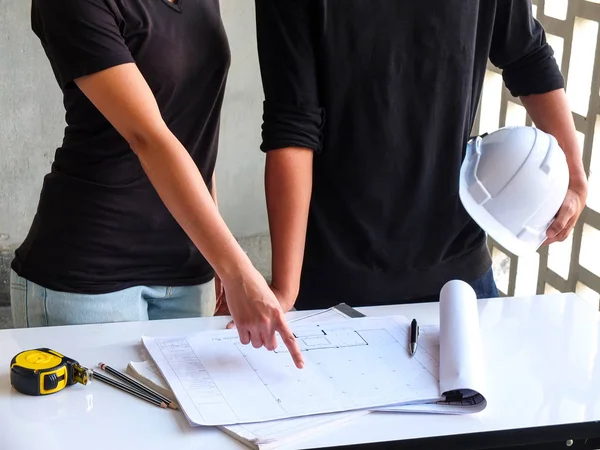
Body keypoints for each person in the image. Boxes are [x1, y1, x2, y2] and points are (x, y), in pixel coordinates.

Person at [10, 0, 303, 368]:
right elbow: (147, 136)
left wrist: (217, 257)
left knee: (190, 425)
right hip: (91, 278)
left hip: (188, 272)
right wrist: (238, 272)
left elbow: (195, 135)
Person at [251, 0, 588, 311]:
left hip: (460, 270)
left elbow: (525, 54)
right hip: (338, 278)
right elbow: (293, 125)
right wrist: (285, 289)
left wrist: (574, 176)